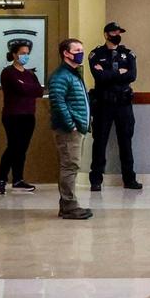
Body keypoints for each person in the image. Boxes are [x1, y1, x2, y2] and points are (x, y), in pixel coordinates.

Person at [88, 22, 141, 191]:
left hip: (123, 104)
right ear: (106, 34)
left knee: (126, 142)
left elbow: (132, 76)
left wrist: (108, 73)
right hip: (104, 105)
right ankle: (96, 180)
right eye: (114, 32)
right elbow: (99, 77)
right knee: (100, 142)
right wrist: (119, 73)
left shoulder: (128, 54)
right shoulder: (96, 54)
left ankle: (129, 179)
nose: (117, 34)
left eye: (119, 32)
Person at [47, 38, 92, 220]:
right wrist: (71, 125)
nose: (81, 52)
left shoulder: (73, 74)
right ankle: (69, 205)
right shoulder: (60, 76)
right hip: (68, 130)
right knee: (69, 165)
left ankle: (68, 204)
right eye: (77, 49)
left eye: (82, 49)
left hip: (77, 127)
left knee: (72, 165)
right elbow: (58, 103)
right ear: (66, 53)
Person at [0, 39, 43, 195]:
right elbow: (21, 89)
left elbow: (39, 91)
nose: (25, 56)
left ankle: (18, 179)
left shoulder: (30, 74)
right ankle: (1, 179)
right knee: (13, 147)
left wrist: (30, 88)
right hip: (13, 115)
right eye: (22, 53)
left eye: (27, 54)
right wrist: (31, 88)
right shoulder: (8, 72)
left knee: (22, 148)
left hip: (29, 115)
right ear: (14, 54)